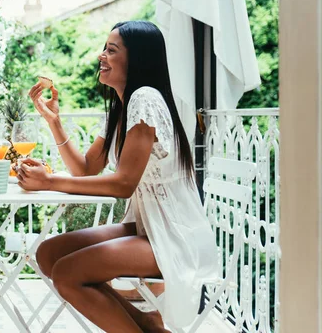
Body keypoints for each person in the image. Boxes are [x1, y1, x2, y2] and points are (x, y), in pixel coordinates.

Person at [17, 21, 218, 332]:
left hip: (176, 238)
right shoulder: (121, 110)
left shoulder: (146, 100)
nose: (102, 56)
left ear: (137, 59)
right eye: (104, 48)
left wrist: (48, 181)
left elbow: (124, 184)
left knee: (68, 273)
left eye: (112, 50)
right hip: (148, 229)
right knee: (49, 253)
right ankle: (147, 324)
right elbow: (85, 169)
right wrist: (54, 121)